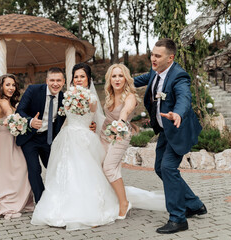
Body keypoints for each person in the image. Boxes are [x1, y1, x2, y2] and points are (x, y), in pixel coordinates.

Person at [31, 63, 120, 231]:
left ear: (88, 79)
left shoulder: (91, 98)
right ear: (72, 79)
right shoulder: (66, 95)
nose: (79, 80)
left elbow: (93, 115)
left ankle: (88, 210)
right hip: (67, 136)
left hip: (84, 138)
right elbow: (63, 118)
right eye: (76, 77)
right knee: (65, 171)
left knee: (85, 172)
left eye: (82, 76)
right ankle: (61, 209)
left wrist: (91, 121)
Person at [134, 38, 207, 234]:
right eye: (152, 54)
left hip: (179, 129)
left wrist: (178, 113)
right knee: (160, 168)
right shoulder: (153, 72)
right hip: (165, 131)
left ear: (170, 57)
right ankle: (194, 204)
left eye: (158, 56)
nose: (153, 58)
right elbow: (133, 81)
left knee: (167, 168)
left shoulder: (179, 76)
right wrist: (116, 79)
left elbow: (184, 98)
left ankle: (178, 218)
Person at [0, 74, 34, 220]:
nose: (11, 88)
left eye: (13, 85)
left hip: (6, 140)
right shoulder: (3, 102)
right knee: (11, 172)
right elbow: (12, 117)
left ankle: (14, 200)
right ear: (1, 87)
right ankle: (8, 203)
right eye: (7, 85)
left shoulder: (4, 101)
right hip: (3, 141)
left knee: (7, 172)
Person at [15, 67, 66, 203]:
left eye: (58, 80)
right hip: (30, 137)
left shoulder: (64, 98)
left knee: (54, 168)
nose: (55, 84)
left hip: (48, 138)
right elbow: (20, 111)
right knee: (35, 169)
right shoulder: (33, 90)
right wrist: (31, 121)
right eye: (52, 80)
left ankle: (56, 197)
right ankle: (41, 201)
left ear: (63, 82)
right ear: (47, 81)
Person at [100, 64, 138, 219]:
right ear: (110, 79)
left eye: (120, 76)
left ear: (125, 78)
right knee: (101, 165)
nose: (117, 79)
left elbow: (125, 111)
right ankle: (110, 201)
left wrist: (120, 123)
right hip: (103, 134)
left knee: (109, 168)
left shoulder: (130, 97)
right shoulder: (109, 95)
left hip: (120, 135)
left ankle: (124, 203)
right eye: (114, 76)